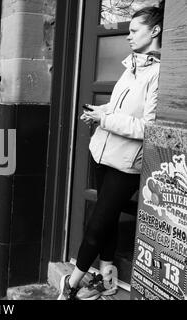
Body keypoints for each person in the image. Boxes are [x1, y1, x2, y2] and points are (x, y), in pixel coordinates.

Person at [58, 4, 164, 300]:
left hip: (127, 163)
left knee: (97, 225)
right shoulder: (131, 66)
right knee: (110, 219)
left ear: (155, 31)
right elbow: (118, 109)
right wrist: (98, 111)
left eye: (133, 31)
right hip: (102, 153)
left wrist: (103, 119)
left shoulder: (158, 73)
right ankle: (105, 280)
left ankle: (72, 282)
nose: (128, 36)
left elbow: (148, 127)